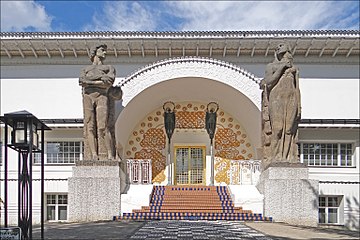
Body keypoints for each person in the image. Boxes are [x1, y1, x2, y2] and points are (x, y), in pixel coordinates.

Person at [263, 42, 301, 163]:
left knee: (289, 130)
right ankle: (275, 157)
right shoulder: (271, 66)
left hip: (291, 99)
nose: (279, 47)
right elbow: (269, 83)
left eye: (282, 45)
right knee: (278, 129)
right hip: (276, 98)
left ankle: (288, 157)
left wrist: (299, 106)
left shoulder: (294, 69)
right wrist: (281, 68)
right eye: (278, 47)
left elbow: (297, 88)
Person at [79, 44, 116, 160]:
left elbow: (108, 82)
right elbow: (81, 81)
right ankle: (93, 154)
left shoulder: (109, 68)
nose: (105, 53)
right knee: (89, 126)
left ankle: (109, 154)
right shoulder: (85, 69)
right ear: (95, 52)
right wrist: (100, 79)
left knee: (102, 126)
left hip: (102, 96)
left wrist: (90, 81)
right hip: (88, 96)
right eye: (102, 50)